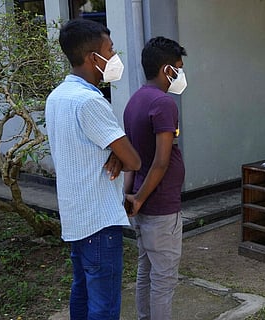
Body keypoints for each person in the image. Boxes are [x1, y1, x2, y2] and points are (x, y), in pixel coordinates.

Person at [45, 19, 141, 319]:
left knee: (82, 291)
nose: (114, 57)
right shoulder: (89, 101)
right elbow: (135, 161)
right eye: (110, 51)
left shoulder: (57, 96)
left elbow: (94, 149)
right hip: (99, 221)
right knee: (104, 303)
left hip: (76, 216)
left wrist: (116, 154)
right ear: (92, 58)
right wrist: (120, 155)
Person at [123, 36, 187, 320]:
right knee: (163, 281)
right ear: (166, 70)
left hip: (140, 200)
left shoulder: (135, 100)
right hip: (160, 206)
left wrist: (131, 195)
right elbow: (160, 162)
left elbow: (131, 157)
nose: (182, 74)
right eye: (179, 67)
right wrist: (139, 198)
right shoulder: (164, 103)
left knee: (145, 271)